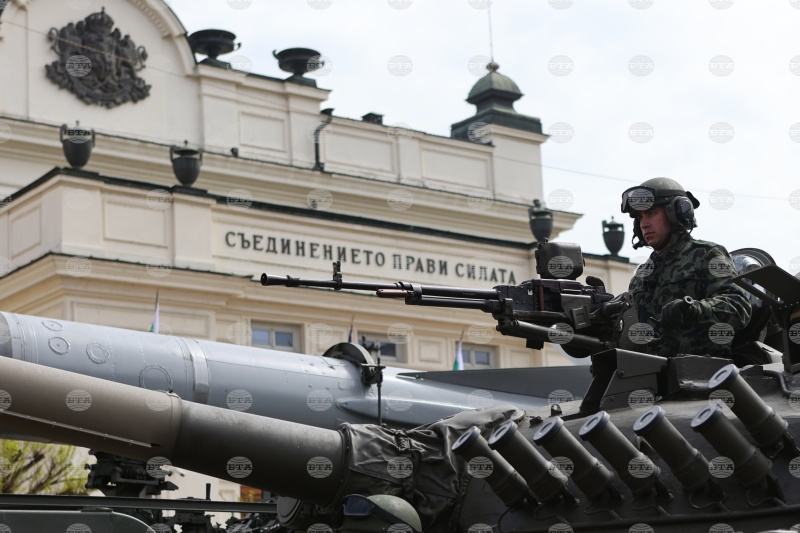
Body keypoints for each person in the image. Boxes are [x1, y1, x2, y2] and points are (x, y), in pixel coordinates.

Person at [620, 177, 751, 358]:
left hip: (702, 369)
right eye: (640, 217)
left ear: (677, 213)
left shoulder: (706, 254)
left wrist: (693, 310)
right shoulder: (642, 274)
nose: (644, 224)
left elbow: (738, 306)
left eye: (651, 213)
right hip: (646, 370)